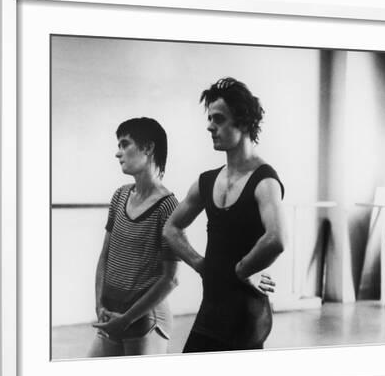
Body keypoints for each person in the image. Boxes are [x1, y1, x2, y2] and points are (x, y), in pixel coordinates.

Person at [163, 77, 287, 352]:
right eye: (210, 119)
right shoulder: (206, 182)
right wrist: (199, 263)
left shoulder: (264, 180)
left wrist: (243, 270)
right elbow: (171, 228)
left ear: (242, 122)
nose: (209, 126)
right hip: (212, 309)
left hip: (247, 315)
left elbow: (276, 238)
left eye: (218, 119)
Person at [88, 117, 180, 357]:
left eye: (124, 144)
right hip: (112, 315)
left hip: (145, 321)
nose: (118, 153)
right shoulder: (120, 196)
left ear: (148, 148)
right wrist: (100, 305)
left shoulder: (168, 206)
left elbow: (170, 279)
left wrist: (127, 319)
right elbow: (105, 257)